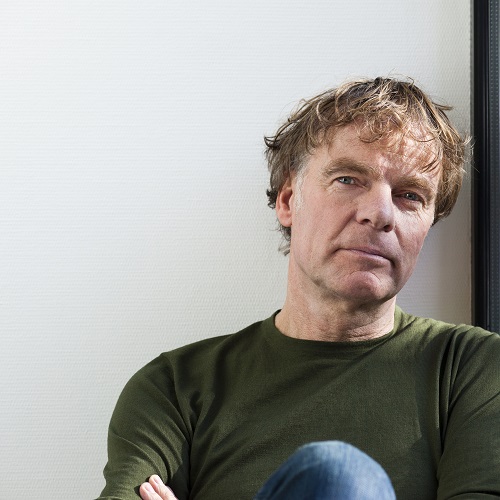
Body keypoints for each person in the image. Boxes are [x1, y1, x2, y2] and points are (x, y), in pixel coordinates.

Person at [96, 77, 500, 500]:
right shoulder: (176, 388)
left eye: (410, 196)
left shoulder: (471, 371)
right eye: (348, 179)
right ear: (288, 201)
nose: (380, 213)